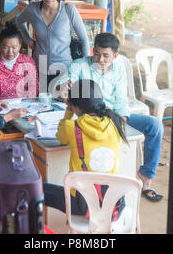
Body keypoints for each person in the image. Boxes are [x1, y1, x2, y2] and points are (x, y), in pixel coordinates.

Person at [56, 33, 165, 202]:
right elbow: (62, 86)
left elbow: (121, 101)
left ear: (116, 55)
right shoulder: (80, 65)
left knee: (155, 125)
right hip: (87, 117)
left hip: (112, 116)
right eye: (97, 53)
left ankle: (146, 177)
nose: (100, 59)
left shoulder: (119, 69)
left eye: (106, 55)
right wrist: (63, 87)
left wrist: (119, 121)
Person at [44, 79, 127, 216]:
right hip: (113, 205)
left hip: (82, 205)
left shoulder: (72, 127)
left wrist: (68, 111)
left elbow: (61, 136)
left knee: (34, 188)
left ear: (75, 106)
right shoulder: (116, 123)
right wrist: (72, 104)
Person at [16, 0, 90, 91]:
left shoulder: (68, 9)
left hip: (65, 69)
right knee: (43, 102)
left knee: (64, 104)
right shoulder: (33, 9)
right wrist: (28, 40)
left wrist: (86, 68)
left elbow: (84, 40)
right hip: (40, 68)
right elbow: (19, 21)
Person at [0, 22, 38, 101]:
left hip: (23, 105)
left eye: (14, 48)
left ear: (20, 46)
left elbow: (34, 88)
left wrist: (25, 103)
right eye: (5, 47)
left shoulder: (27, 61)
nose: (10, 52)